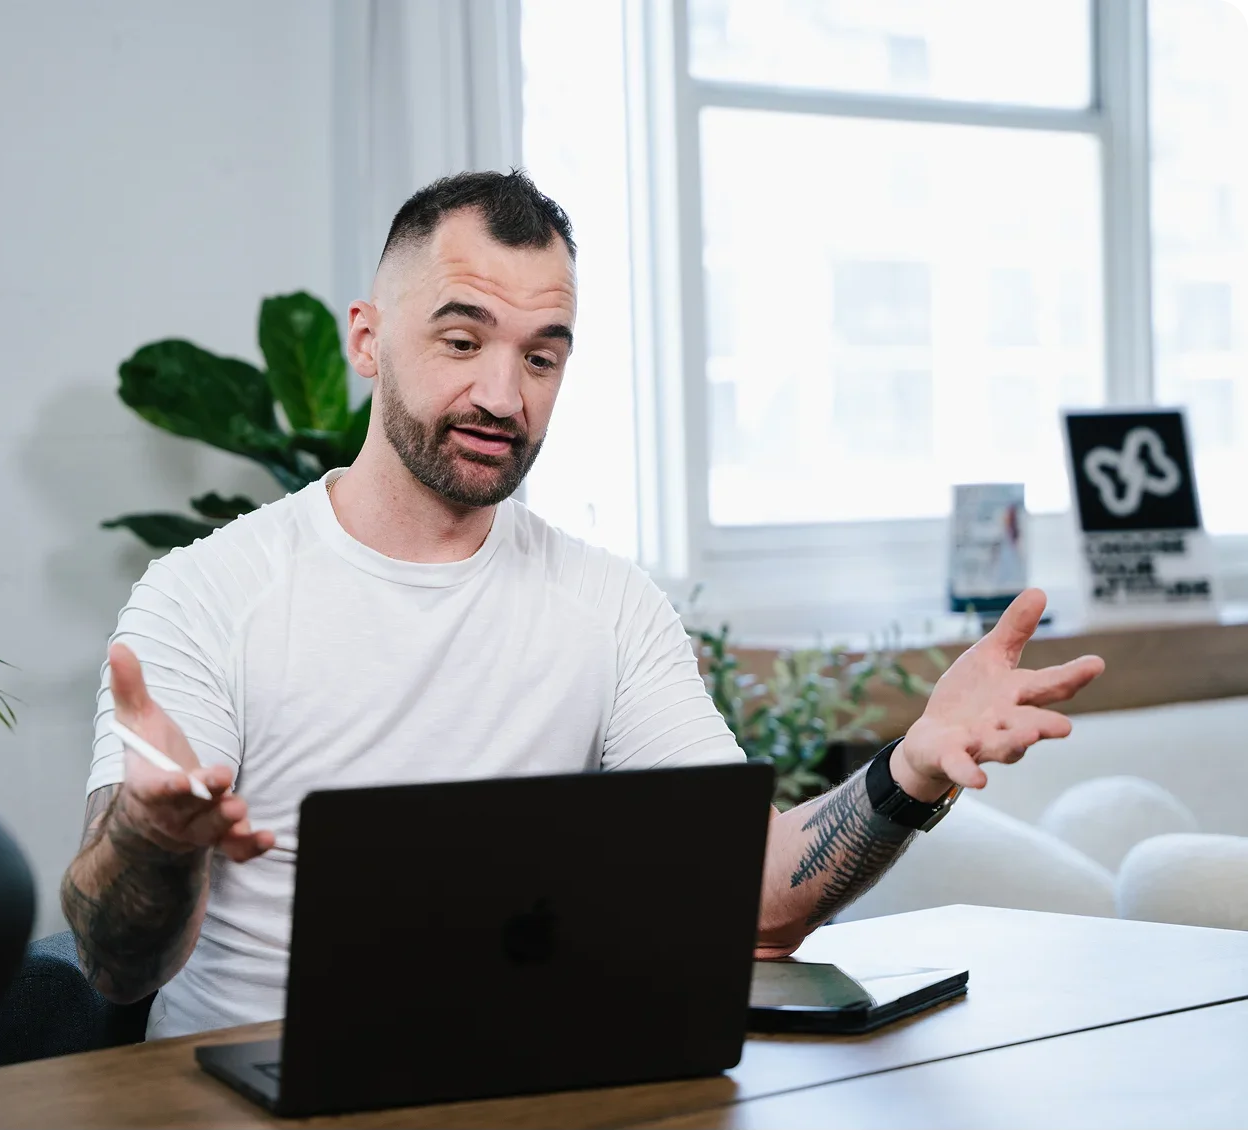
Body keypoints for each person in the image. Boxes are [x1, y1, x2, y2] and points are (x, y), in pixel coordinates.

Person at [61, 170, 1105, 1040]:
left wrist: (910, 771)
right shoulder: (208, 594)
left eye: (541, 356)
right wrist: (155, 839)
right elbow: (115, 967)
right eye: (462, 341)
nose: (505, 398)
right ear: (368, 340)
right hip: (253, 1090)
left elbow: (751, 907)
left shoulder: (606, 605)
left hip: (531, 1083)